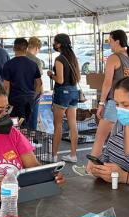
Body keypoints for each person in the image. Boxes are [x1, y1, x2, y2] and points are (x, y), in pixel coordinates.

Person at [86, 30, 129, 173]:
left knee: (100, 137)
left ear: (117, 41)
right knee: (120, 138)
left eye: (110, 41)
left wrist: (101, 104)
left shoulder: (114, 58)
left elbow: (107, 82)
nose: (109, 44)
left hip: (114, 103)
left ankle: (90, 169)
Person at [47, 34, 80, 163]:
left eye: (55, 42)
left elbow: (59, 79)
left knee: (58, 125)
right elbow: (78, 77)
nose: (54, 45)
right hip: (74, 91)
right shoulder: (73, 57)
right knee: (73, 124)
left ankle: (54, 156)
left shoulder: (59, 59)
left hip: (62, 93)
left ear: (59, 44)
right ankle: (73, 155)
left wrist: (51, 75)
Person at [3, 38, 42, 128]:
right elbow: (39, 83)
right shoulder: (33, 64)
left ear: (14, 48)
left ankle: (17, 140)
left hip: (14, 101)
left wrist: (5, 102)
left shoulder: (8, 64)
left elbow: (6, 87)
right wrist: (34, 96)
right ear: (26, 48)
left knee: (15, 126)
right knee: (28, 126)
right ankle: (28, 141)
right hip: (29, 100)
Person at [27, 37, 43, 130]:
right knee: (33, 122)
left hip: (18, 94)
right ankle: (31, 143)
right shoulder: (37, 61)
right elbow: (39, 81)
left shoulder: (18, 58)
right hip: (33, 94)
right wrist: (41, 92)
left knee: (22, 121)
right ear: (37, 48)